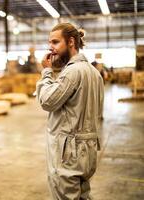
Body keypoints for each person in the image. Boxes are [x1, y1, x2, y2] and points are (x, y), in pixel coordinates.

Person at [35, 23, 104, 199]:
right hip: (87, 150)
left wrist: (46, 72)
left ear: (71, 42)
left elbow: (47, 101)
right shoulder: (94, 73)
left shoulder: (72, 72)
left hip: (68, 153)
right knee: (83, 196)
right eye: (49, 43)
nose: (51, 47)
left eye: (55, 42)